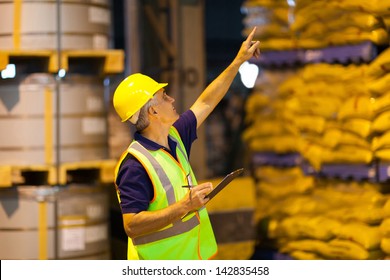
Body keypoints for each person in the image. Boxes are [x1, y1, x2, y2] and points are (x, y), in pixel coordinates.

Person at [113, 27, 260, 260]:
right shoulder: (134, 165)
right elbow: (131, 225)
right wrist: (184, 206)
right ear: (152, 111)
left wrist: (238, 61)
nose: (172, 99)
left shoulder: (175, 135)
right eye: (164, 97)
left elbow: (206, 102)